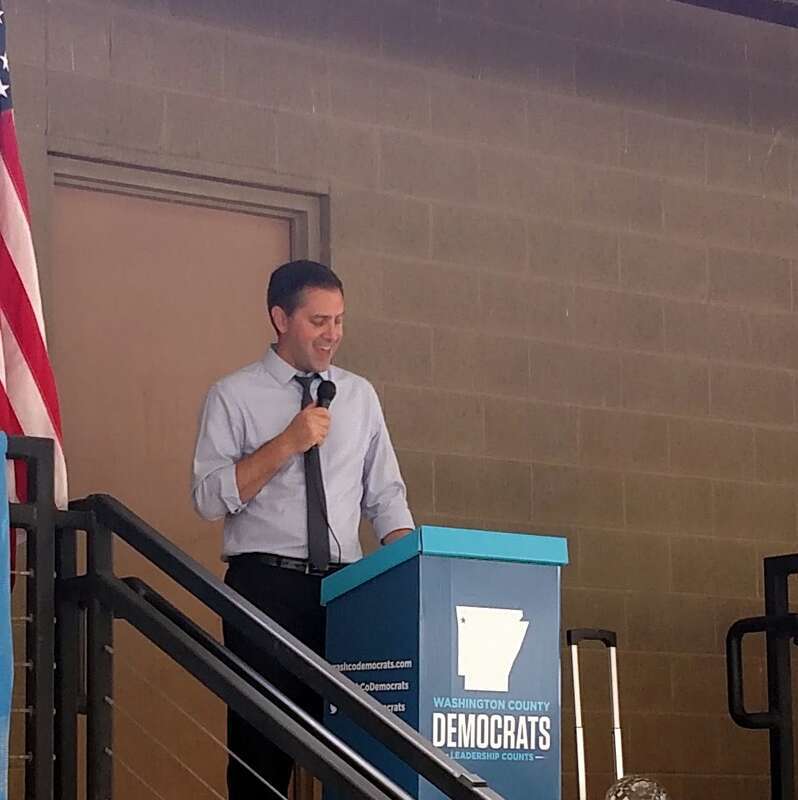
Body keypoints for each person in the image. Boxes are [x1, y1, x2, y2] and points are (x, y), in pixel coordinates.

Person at [192, 259, 414, 799]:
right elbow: (206, 497)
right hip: (266, 588)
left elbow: (385, 495)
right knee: (261, 749)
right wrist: (286, 443)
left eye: (338, 321)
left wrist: (411, 575)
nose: (332, 335)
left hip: (348, 591)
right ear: (280, 318)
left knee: (359, 747)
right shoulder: (233, 395)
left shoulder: (359, 396)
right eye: (319, 321)